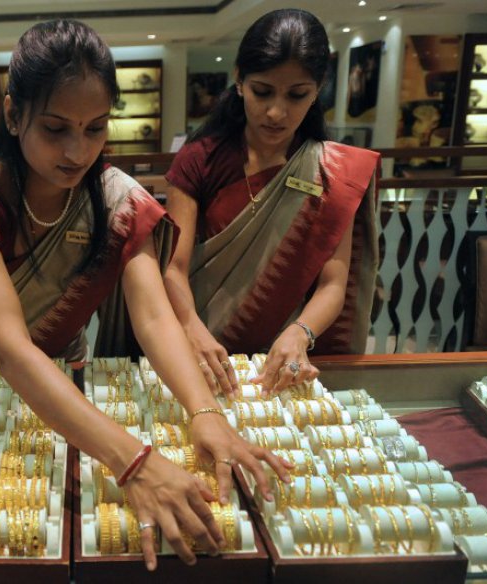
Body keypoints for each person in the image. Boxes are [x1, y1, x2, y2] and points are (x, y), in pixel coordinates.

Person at [0, 19, 291, 569]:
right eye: (56, 129)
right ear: (12, 113)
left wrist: (204, 411)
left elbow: (154, 316)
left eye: (95, 128)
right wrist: (135, 463)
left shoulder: (114, 199)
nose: (78, 150)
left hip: (64, 393)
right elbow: (9, 349)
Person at [163, 9, 380, 396]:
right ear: (239, 80)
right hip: (198, 351)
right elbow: (173, 267)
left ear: (318, 89)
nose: (277, 112)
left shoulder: (332, 172)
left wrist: (301, 333)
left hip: (279, 363)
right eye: (262, 91)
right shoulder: (200, 159)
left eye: (297, 95)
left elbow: (333, 284)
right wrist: (191, 329)